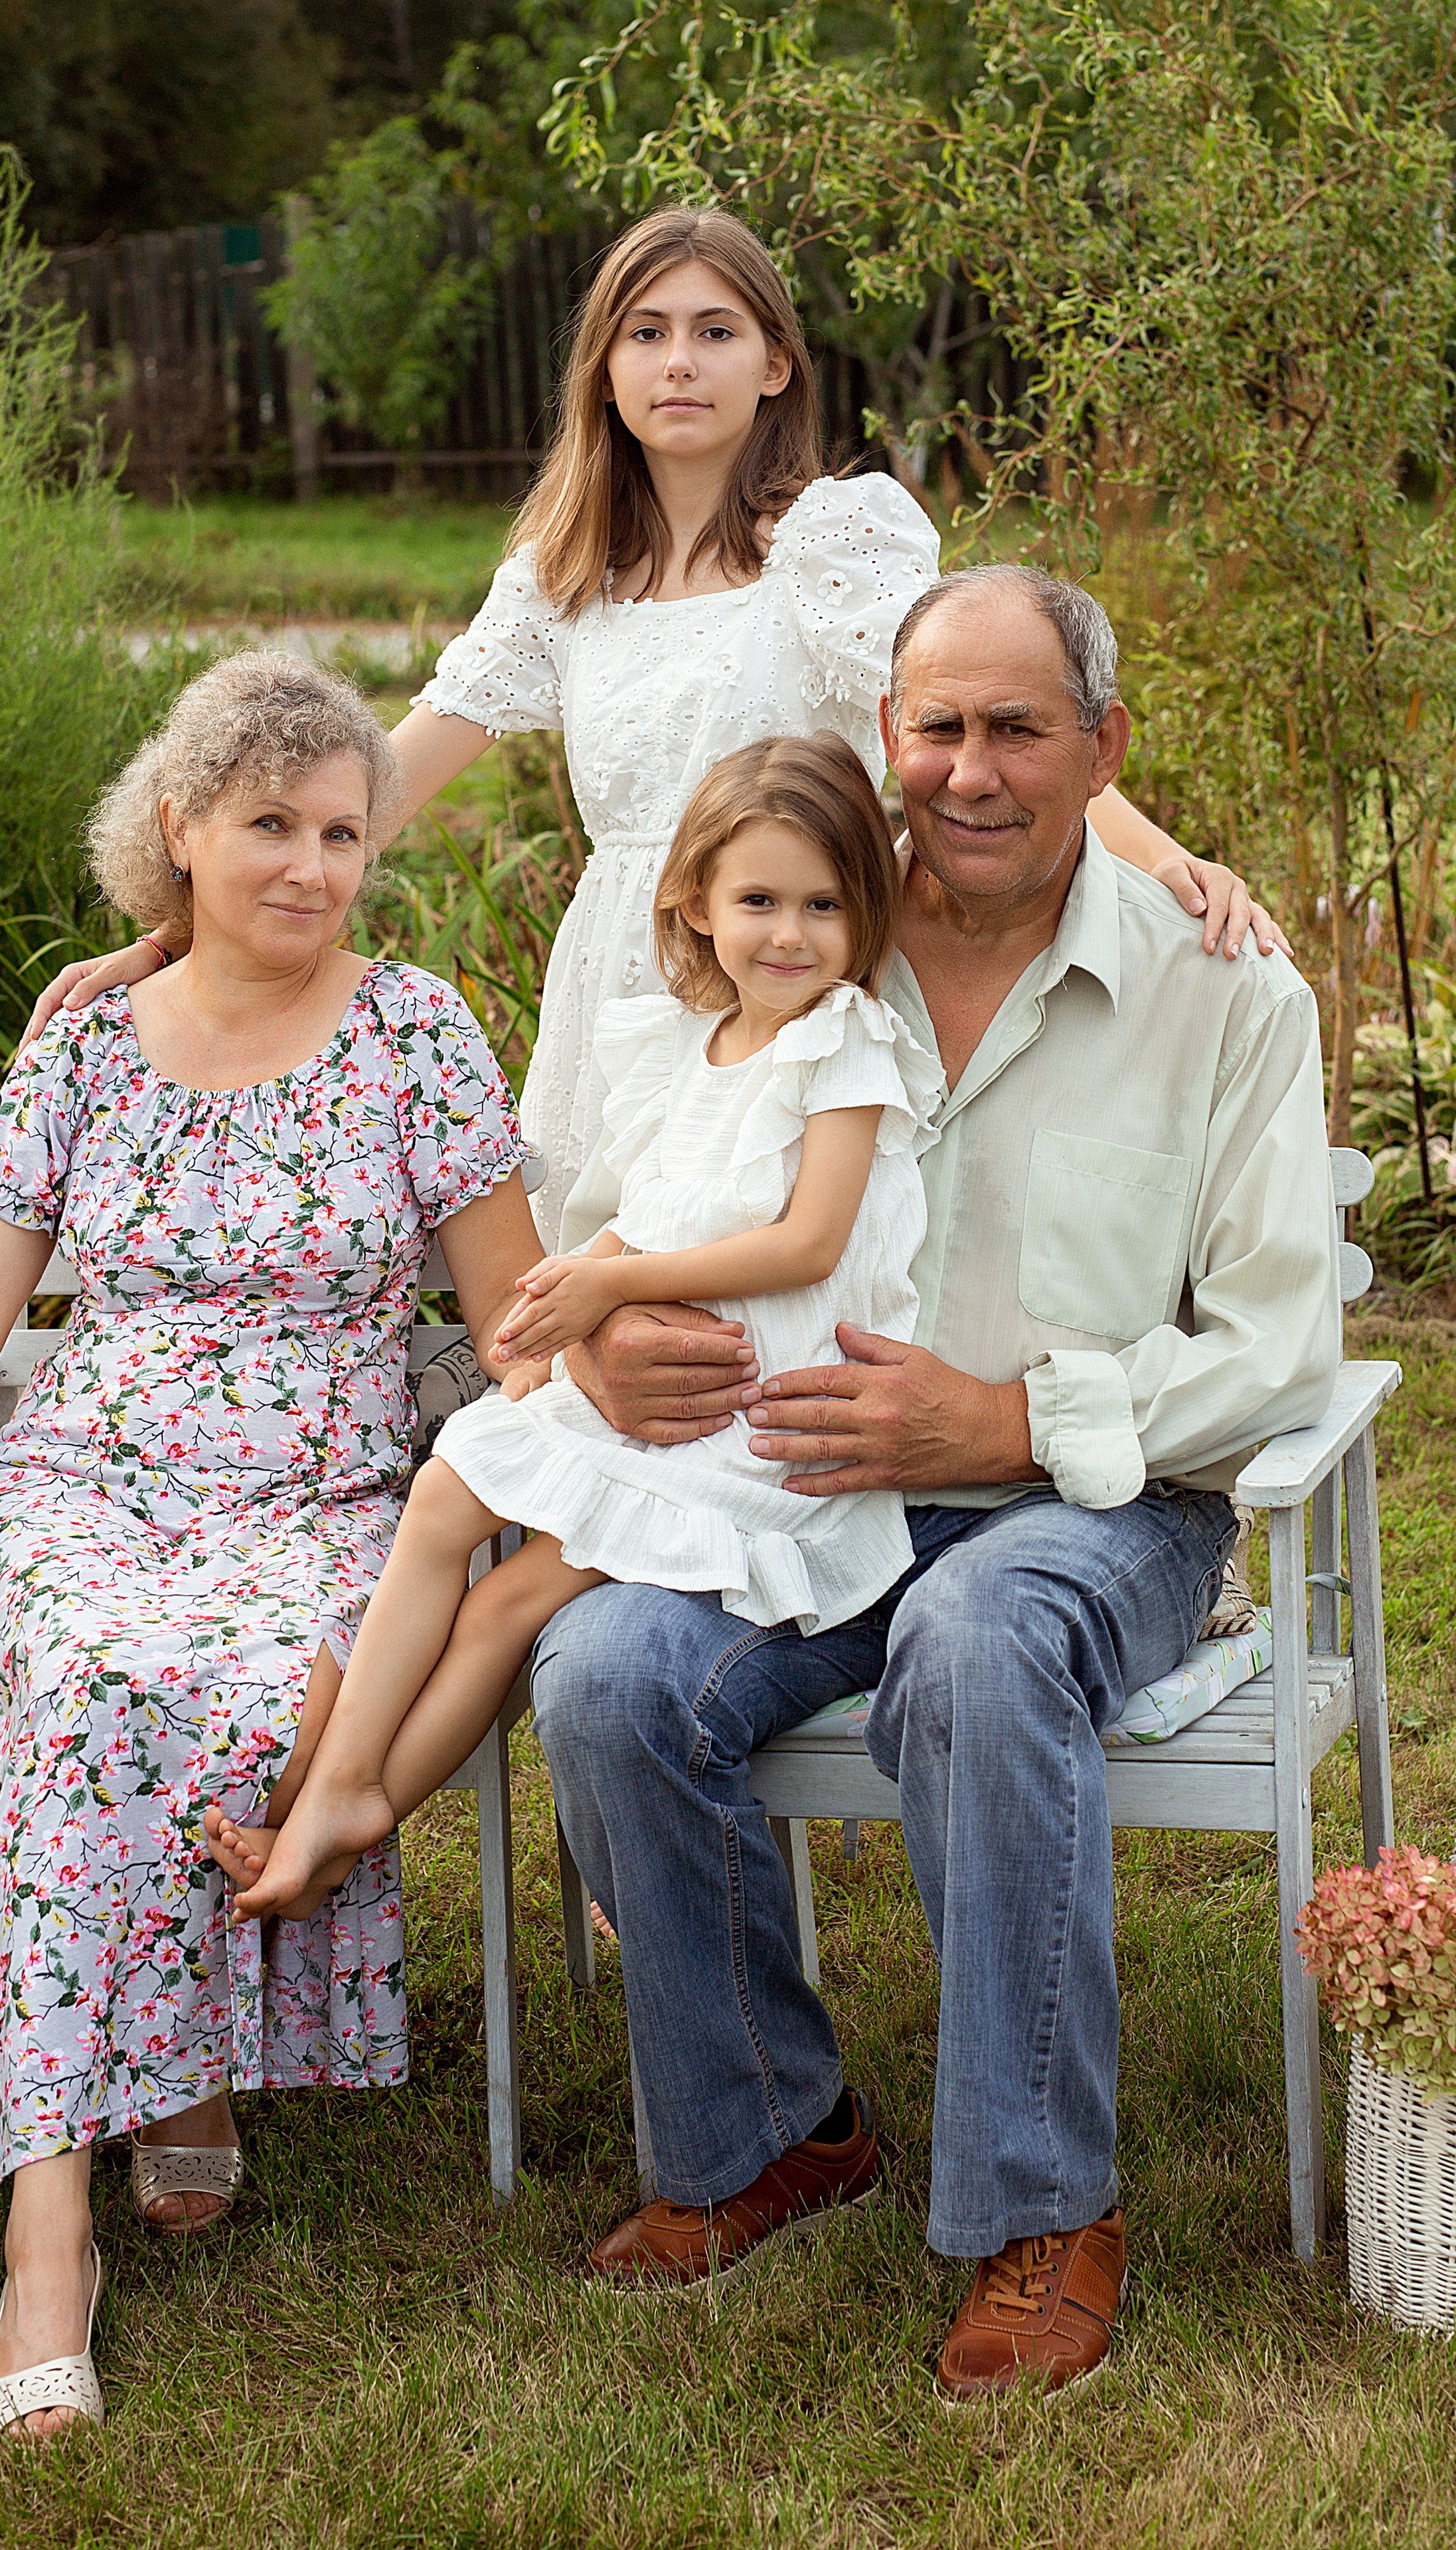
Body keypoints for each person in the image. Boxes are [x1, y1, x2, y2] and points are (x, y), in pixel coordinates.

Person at [530, 565, 1341, 2397]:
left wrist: (1008, 1426)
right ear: (886, 737)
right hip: (791, 1495)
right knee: (601, 1678)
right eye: (937, 727)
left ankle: (1042, 2208)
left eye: (1017, 728)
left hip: (1099, 1508)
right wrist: (605, 1341)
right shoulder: (795, 933)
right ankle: (769, 2132)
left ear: (1105, 748)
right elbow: (605, 1221)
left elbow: (1278, 1347)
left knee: (978, 1641)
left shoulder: (1219, 993)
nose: (970, 771)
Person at [0, 653, 543, 2444]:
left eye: (343, 830)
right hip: (86, 1491)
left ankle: (167, 2068)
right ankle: (56, 2244)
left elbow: (512, 1329)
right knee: (99, 1673)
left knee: (233, 1678)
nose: (312, 864)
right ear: (179, 830)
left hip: (329, 1499)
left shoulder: (418, 1032)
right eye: (269, 822)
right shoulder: (87, 1045)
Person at [24, 207, 1287, 1249]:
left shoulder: (834, 543)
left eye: (715, 331)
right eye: (646, 333)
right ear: (607, 370)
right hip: (617, 975)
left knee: (761, 1277)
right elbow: (380, 784)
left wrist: (1167, 863)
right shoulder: (564, 574)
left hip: (783, 966)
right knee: (605, 1291)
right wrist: (183, 932)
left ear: (775, 364)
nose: (679, 362)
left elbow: (975, 728)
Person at [202, 733, 941, 1922]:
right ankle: (339, 1788)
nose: (790, 935)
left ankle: (350, 1806)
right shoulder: (685, 1053)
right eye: (758, 900)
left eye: (824, 905)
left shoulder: (841, 1045)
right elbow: (644, 1212)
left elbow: (809, 1243)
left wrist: (615, 1288)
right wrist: (569, 1288)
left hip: (753, 1427)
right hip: (663, 1407)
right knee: (445, 1507)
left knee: (508, 1601)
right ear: (694, 901)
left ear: (866, 917)